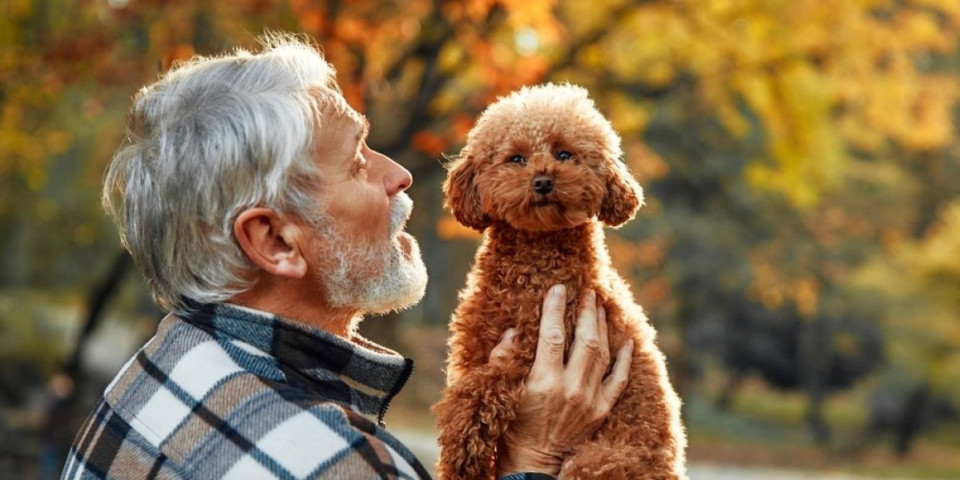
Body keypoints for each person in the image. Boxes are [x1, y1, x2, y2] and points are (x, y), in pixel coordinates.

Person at [61, 33, 633, 480]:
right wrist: (533, 460)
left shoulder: (153, 369)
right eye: (359, 162)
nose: (400, 175)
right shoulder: (342, 465)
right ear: (276, 241)